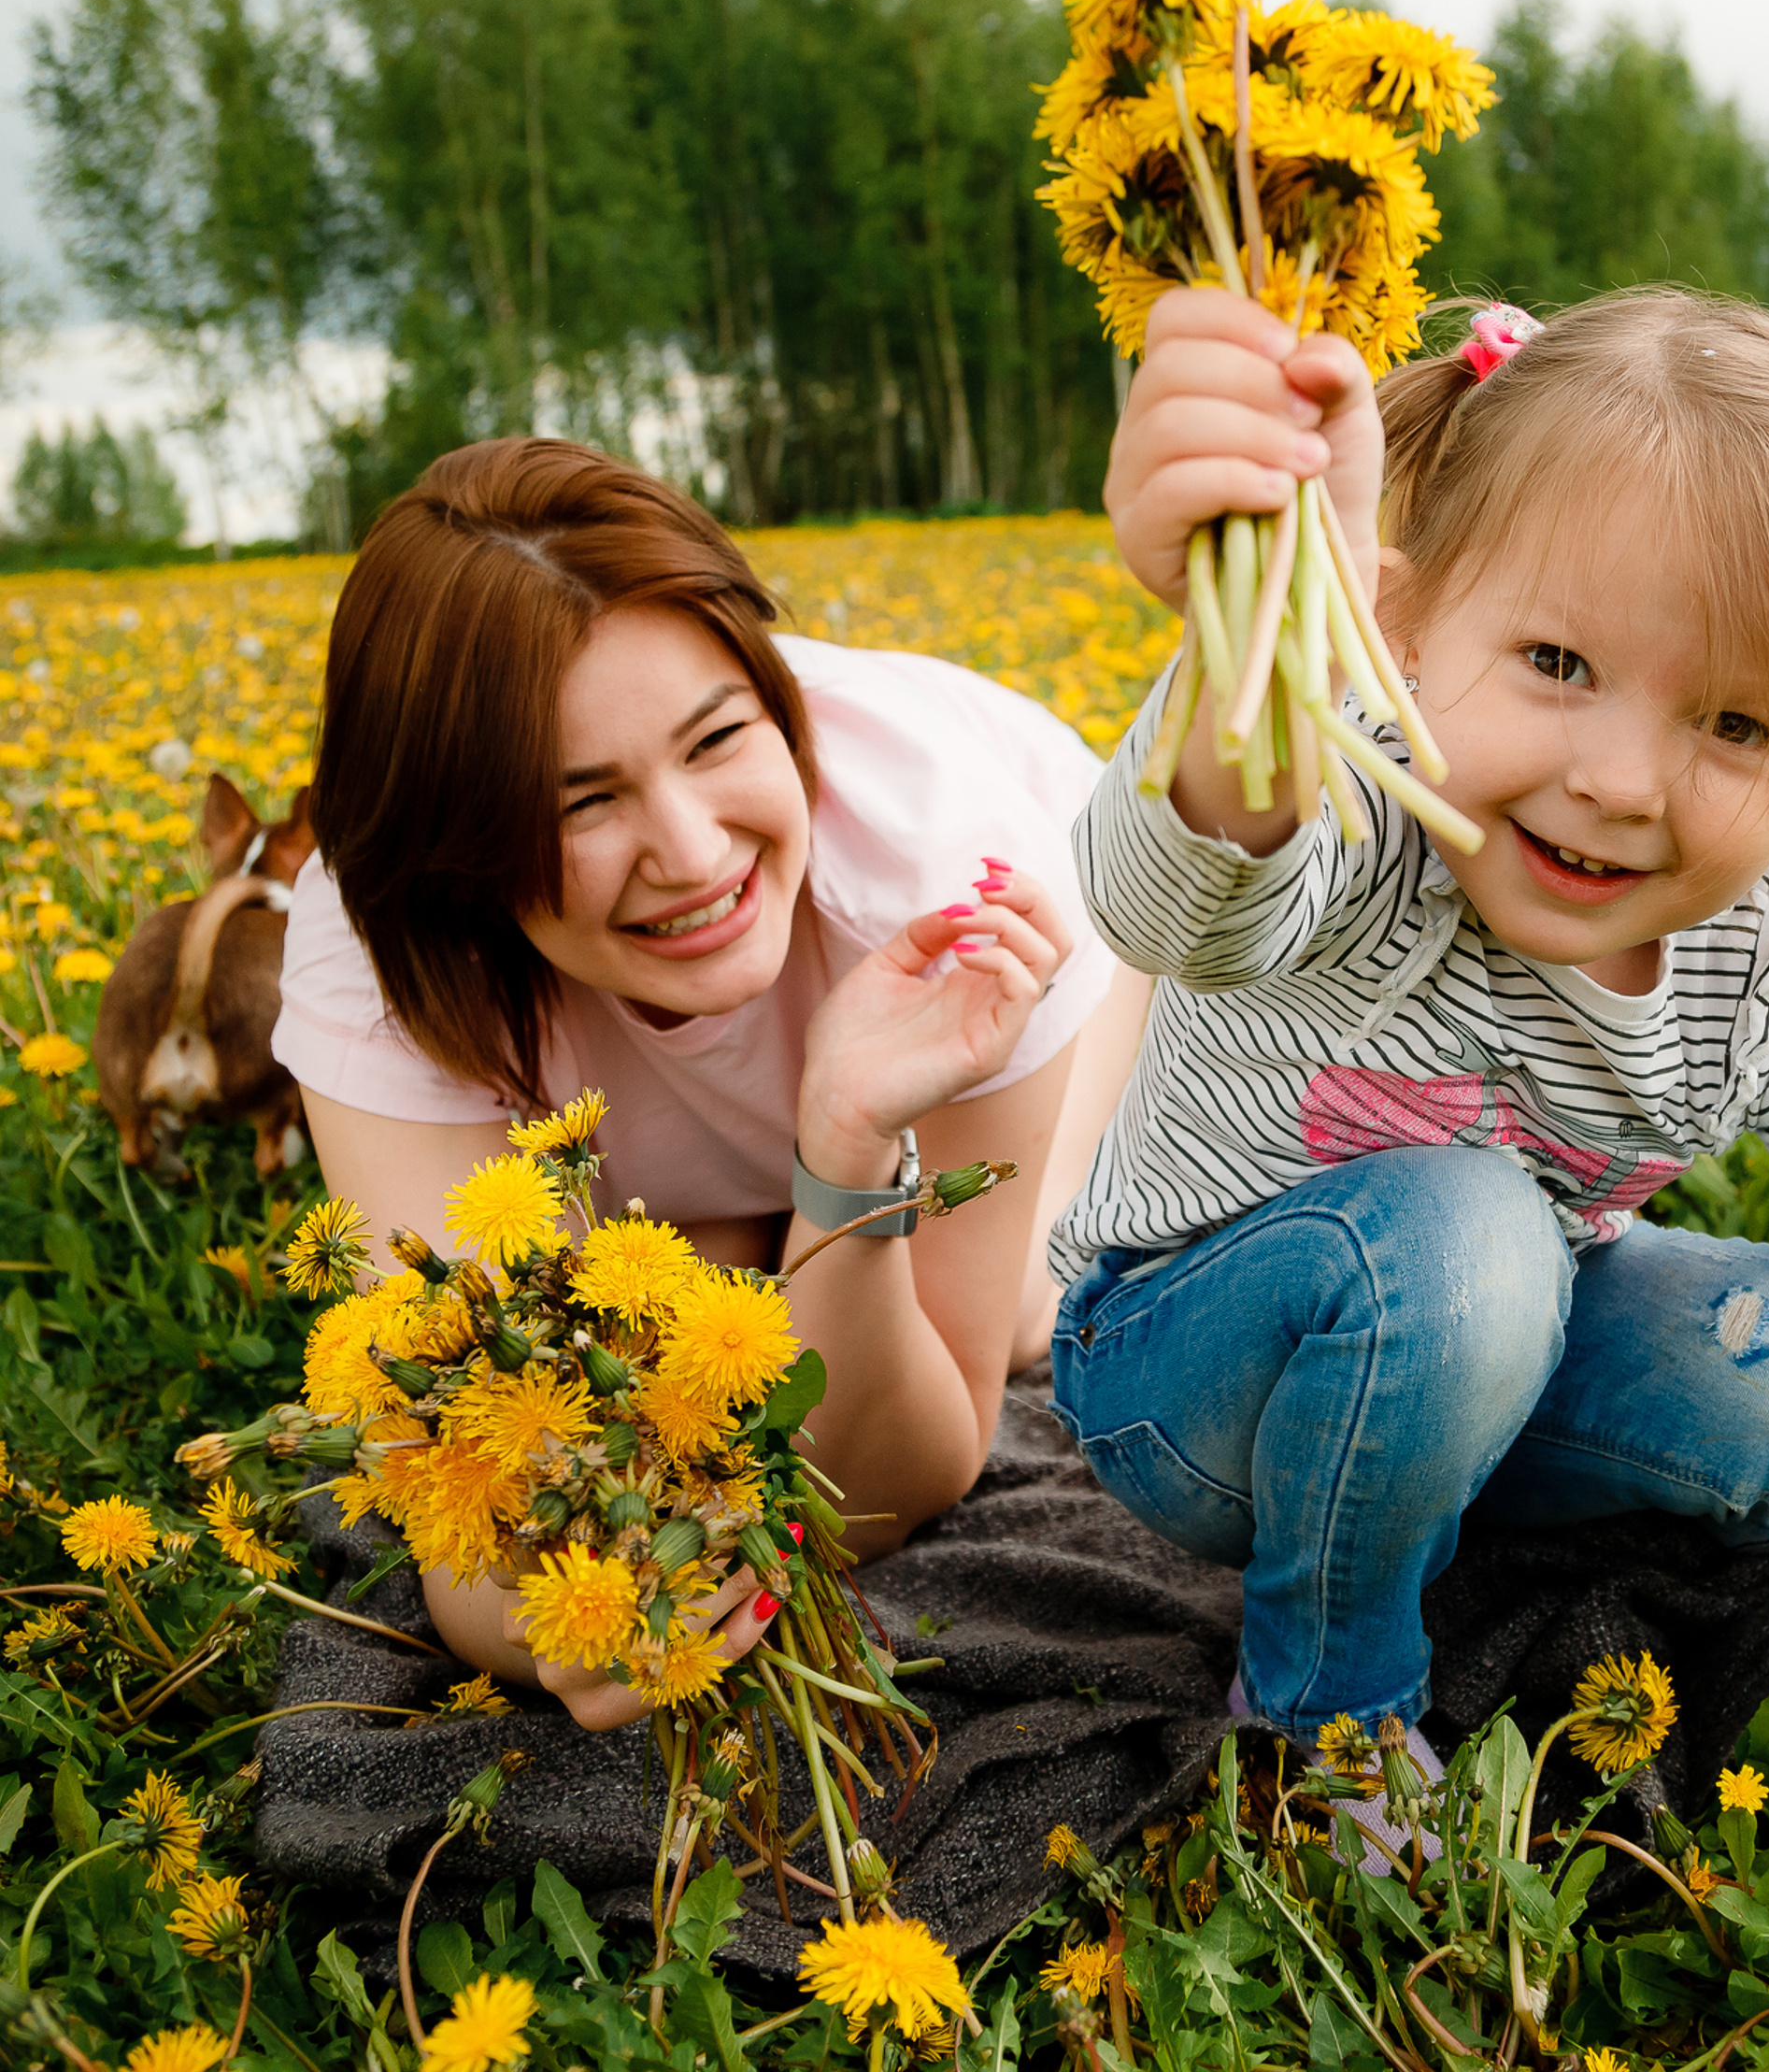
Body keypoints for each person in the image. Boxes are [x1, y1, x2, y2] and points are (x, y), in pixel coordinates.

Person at [1050, 284, 1769, 1925]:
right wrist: (1255, 665)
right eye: (1556, 662)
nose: (1620, 778)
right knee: (1469, 1228)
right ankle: (1328, 1727)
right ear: (1399, 631)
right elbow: (1173, 906)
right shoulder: (1363, 814)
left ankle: (1423, 1513)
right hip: (1181, 1381)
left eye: (1736, 723)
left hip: (1482, 1332)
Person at [275, 438, 1148, 1731]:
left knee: (1025, 1309)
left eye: (717, 738)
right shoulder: (375, 940)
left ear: (770, 693)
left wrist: (851, 1146)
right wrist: (545, 1627)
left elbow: (918, 1464)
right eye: (581, 804)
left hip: (1108, 970)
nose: (691, 854)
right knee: (649, 1331)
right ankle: (738, 1237)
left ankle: (758, 1229)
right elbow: (467, 1503)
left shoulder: (950, 875)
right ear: (453, 850)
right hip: (665, 1141)